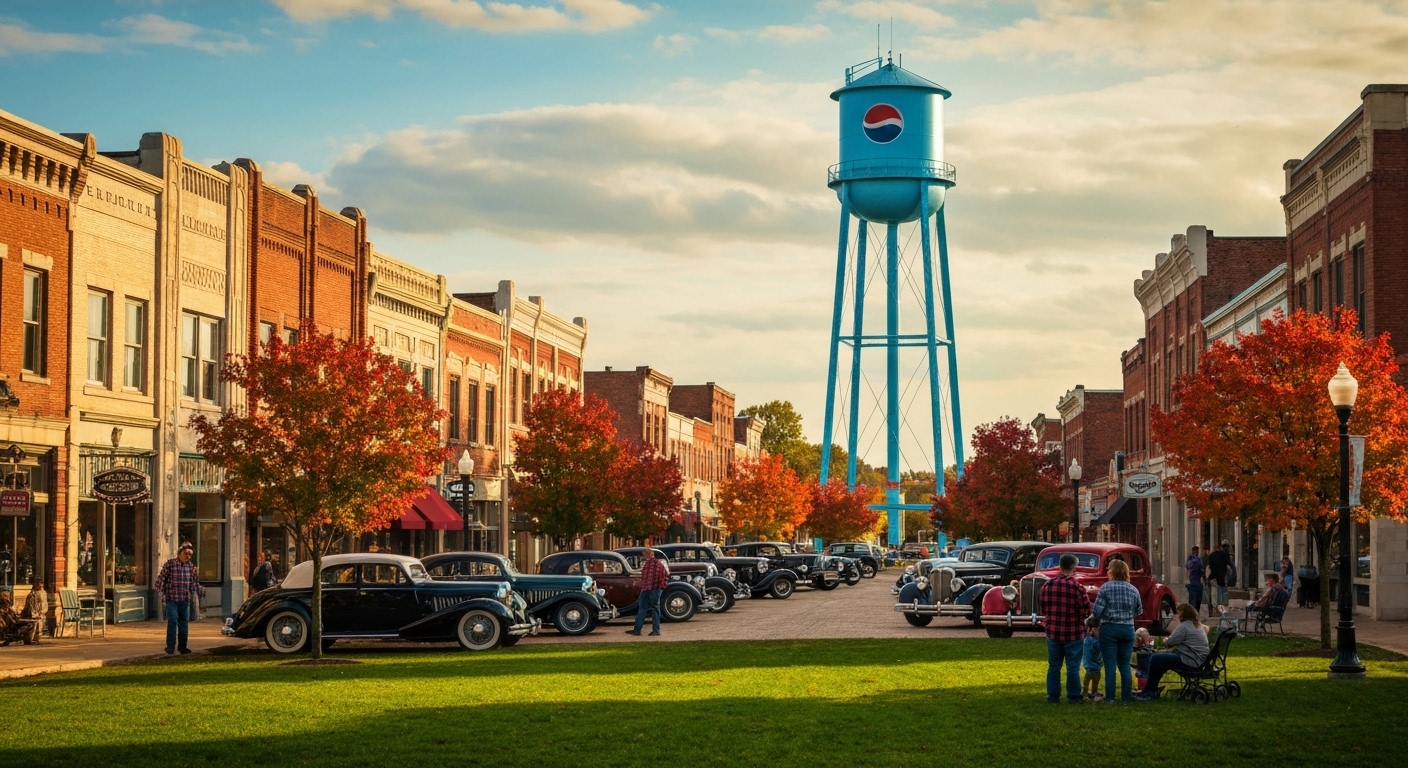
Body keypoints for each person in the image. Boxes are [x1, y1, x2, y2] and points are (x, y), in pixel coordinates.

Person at [1037, 553, 1091, 703]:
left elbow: (1043, 609)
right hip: (1073, 632)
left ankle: (1052, 696)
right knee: (1073, 666)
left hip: (1053, 631)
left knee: (1054, 666)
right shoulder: (1077, 587)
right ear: (1073, 567)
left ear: (1060, 566)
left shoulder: (1047, 585)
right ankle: (1074, 696)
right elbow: (1086, 610)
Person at [1092, 558, 1143, 703]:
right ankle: (1126, 697)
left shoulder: (1106, 588)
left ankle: (1110, 698)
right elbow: (1139, 610)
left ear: (1111, 571)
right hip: (1127, 629)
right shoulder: (1133, 589)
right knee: (1125, 665)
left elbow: (1096, 611)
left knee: (1110, 666)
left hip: (1109, 628)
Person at [1136, 603, 1209, 700]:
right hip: (1198, 660)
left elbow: (1170, 641)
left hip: (1190, 661)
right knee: (1161, 659)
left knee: (1156, 658)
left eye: (1178, 613)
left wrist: (1165, 640)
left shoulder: (1184, 626)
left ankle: (1149, 692)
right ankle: (1151, 689)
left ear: (1183, 614)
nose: (1177, 616)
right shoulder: (1197, 625)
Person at [154, 544, 205, 655]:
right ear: (179, 553)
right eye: (185, 553)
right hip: (171, 598)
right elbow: (161, 577)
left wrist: (198, 592)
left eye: (190, 554)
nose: (187, 556)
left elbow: (194, 582)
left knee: (184, 623)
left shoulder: (191, 567)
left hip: (184, 599)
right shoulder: (171, 564)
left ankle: (183, 647)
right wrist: (158, 589)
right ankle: (170, 647)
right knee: (172, 621)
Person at [627, 545, 668, 637]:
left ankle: (638, 629)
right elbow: (664, 575)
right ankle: (654, 630)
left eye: (644, 554)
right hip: (655, 589)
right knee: (654, 609)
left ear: (648, 555)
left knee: (643, 608)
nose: (643, 556)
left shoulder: (648, 564)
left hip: (648, 589)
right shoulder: (658, 564)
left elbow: (646, 576)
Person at [1206, 540, 1231, 611]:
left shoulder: (1211, 555)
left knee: (1214, 593)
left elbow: (1209, 566)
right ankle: (1222, 607)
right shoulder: (1225, 555)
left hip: (1213, 577)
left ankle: (1215, 608)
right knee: (1222, 592)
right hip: (1222, 577)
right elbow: (1228, 567)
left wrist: (1208, 576)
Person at [1081, 626, 1104, 701]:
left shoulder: (1087, 640)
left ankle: (1087, 693)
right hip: (1094, 666)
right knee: (1089, 681)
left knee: (1088, 681)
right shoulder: (1096, 642)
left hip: (1090, 666)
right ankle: (1088, 693)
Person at [1185, 546, 1205, 613]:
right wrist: (1202, 578)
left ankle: (1191, 613)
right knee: (1198, 600)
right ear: (1198, 552)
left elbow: (1188, 570)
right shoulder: (1199, 560)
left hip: (1191, 582)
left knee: (1191, 599)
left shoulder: (1189, 559)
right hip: (1197, 582)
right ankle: (1196, 613)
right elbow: (1201, 570)